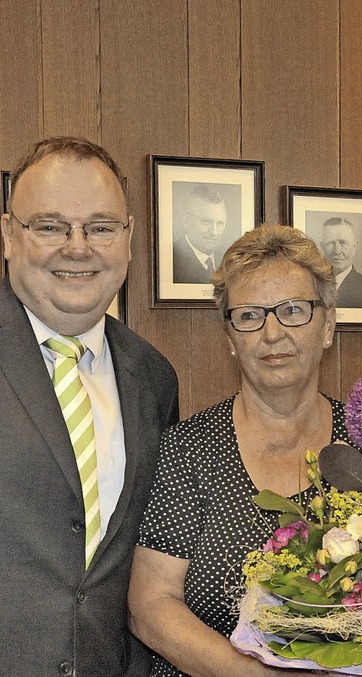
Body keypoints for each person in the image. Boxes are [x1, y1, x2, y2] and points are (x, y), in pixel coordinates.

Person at [129, 225, 345, 676]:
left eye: (293, 310)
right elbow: (150, 604)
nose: (272, 333)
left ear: (328, 325)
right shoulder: (188, 450)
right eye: (249, 316)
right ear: (230, 337)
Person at [0, 136, 179, 676]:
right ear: (9, 234)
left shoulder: (153, 377)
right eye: (50, 226)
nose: (77, 248)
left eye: (100, 227)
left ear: (127, 238)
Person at [173, 184, 227, 284]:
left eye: (220, 223)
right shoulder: (172, 259)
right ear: (186, 221)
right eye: (206, 222)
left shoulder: (229, 259)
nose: (214, 232)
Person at [320, 216, 362, 307]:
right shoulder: (312, 284)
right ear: (322, 247)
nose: (337, 251)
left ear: (354, 247)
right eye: (330, 243)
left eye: (343, 243)